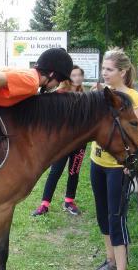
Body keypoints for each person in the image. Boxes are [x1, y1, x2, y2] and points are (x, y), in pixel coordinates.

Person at [90, 48, 138, 270]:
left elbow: (135, 133)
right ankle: (110, 260)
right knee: (102, 215)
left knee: (116, 218)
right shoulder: (103, 93)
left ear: (122, 72)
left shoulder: (133, 97)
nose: (104, 72)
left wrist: (130, 164)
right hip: (97, 162)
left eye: (109, 69)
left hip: (118, 168)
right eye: (103, 68)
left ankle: (122, 267)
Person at [31, 65, 87, 216]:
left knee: (74, 172)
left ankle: (69, 202)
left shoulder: (85, 95)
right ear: (69, 77)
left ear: (82, 77)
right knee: (55, 171)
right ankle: (44, 205)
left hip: (80, 143)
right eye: (73, 75)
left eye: (79, 75)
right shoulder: (60, 94)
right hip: (63, 143)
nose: (77, 78)